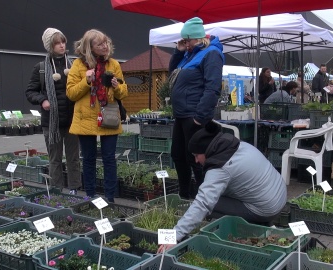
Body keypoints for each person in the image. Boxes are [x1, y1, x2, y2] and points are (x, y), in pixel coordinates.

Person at [157, 121, 287, 252]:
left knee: (210, 203)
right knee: (210, 191)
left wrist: (175, 235)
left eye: (196, 156)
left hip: (266, 209)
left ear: (206, 151)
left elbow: (203, 203)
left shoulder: (221, 169)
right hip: (279, 194)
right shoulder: (238, 145)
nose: (196, 160)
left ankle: (250, 227)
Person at [66, 29, 128, 202]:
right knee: (89, 159)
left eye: (106, 42)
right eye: (100, 44)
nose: (105, 46)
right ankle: (90, 196)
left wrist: (116, 86)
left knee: (109, 158)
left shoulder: (113, 64)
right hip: (85, 118)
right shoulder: (78, 65)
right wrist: (86, 81)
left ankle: (110, 198)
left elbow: (123, 93)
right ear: (89, 47)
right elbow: (71, 93)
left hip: (108, 116)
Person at [168, 17, 224, 199]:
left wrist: (200, 116)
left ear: (198, 38)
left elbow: (213, 87)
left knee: (196, 159)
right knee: (178, 155)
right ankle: (185, 195)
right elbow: (173, 73)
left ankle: (205, 200)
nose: (186, 44)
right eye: (183, 41)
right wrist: (178, 51)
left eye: (187, 40)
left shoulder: (211, 53)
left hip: (194, 115)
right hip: (181, 115)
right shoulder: (189, 54)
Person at [25, 28, 81, 194]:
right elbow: (30, 91)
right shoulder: (41, 68)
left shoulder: (74, 65)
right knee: (54, 159)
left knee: (73, 158)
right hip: (51, 122)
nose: (62, 45)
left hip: (72, 121)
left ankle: (74, 189)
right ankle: (57, 191)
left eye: (63, 41)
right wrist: (42, 100)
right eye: (57, 43)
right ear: (50, 45)